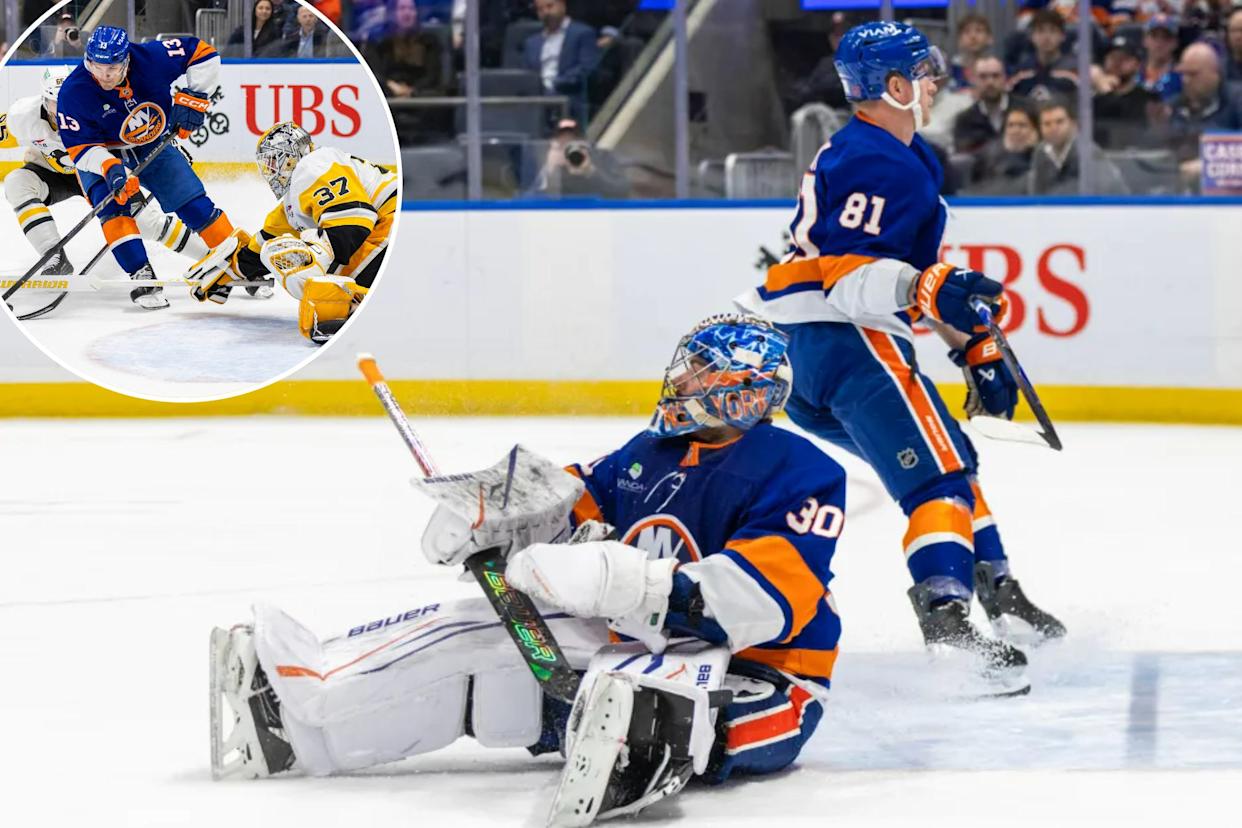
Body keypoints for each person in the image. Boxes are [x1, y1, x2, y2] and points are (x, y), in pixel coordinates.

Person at [210, 315, 846, 825]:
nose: (681, 382)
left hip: (765, 671)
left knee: (680, 712)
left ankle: (634, 748)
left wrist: (618, 581)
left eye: (701, 374)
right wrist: (497, 518)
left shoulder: (801, 470)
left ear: (749, 392)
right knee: (476, 633)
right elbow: (573, 500)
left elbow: (762, 600)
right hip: (638, 640)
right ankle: (295, 725)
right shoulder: (649, 451)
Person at [734, 21, 1066, 684]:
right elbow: (851, 280)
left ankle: (998, 589)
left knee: (950, 462)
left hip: (808, 354)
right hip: (848, 342)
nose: (936, 81)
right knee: (938, 483)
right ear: (893, 84)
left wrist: (973, 348)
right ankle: (948, 617)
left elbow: (914, 282)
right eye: (922, 72)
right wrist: (927, 288)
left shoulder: (898, 158)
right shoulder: (875, 160)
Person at [56, 26, 242, 310]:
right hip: (101, 152)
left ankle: (243, 259)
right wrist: (110, 168)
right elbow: (80, 149)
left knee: (193, 204)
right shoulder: (73, 92)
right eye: (97, 66)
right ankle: (141, 274)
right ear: (88, 59)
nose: (105, 75)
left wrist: (195, 97)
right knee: (114, 210)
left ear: (127, 59)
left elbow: (203, 52)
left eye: (113, 67)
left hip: (153, 143)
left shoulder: (151, 58)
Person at [2, 67, 211, 288]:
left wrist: (170, 149)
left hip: (98, 173)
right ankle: (53, 256)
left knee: (146, 223)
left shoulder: (99, 109)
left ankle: (213, 256)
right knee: (16, 183)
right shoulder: (23, 116)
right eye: (56, 101)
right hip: (50, 174)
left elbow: (138, 134)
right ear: (44, 100)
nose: (64, 108)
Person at [189, 121, 397, 342]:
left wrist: (318, 259)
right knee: (283, 253)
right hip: (387, 225)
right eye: (266, 165)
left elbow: (354, 221)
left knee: (311, 270)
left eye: (273, 161)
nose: (270, 171)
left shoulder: (313, 165)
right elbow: (264, 243)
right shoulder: (295, 197)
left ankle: (355, 309)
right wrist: (233, 269)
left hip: (391, 221)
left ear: (291, 154)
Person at [1156, 42, 1242, 189]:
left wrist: (1209, 166)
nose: (1186, 80)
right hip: (1179, 189)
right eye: (1183, 74)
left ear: (1215, 73)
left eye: (1193, 74)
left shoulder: (1237, 100)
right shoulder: (1174, 106)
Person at [522, 0, 601, 124]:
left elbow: (587, 67)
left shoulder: (582, 33)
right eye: (540, 9)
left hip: (569, 96)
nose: (546, 12)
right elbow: (526, 75)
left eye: (550, 6)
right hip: (538, 100)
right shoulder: (531, 42)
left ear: (563, 6)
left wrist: (555, 84)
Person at [1028, 98, 1129, 194]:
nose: (1053, 128)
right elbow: (1037, 193)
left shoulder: (1088, 152)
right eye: (1047, 124)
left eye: (1059, 122)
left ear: (1073, 124)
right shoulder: (1041, 152)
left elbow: (1105, 191)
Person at [527, 117, 629, 199]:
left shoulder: (602, 157)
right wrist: (550, 170)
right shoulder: (551, 164)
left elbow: (621, 191)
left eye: (573, 144)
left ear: (585, 144)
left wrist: (590, 171)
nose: (569, 152)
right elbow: (527, 204)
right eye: (562, 145)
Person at [1091, 31, 1158, 149]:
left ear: (1137, 65)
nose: (1117, 63)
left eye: (1124, 59)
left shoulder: (1148, 98)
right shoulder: (1095, 101)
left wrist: (1107, 93)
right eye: (1112, 58)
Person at [1009, 9, 1079, 101]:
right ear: (1031, 36)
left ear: (1063, 36)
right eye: (1040, 31)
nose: (1046, 37)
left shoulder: (1075, 70)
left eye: (1052, 31)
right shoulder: (1021, 72)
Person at [971, 105, 1041, 194]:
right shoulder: (989, 156)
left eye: (1022, 125)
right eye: (1010, 125)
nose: (1015, 131)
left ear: (1035, 130)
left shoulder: (1042, 157)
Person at [953, 55, 1013, 154]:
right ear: (973, 80)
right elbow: (963, 155)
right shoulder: (965, 119)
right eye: (983, 77)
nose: (990, 82)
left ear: (1005, 78)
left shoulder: (1025, 110)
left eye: (995, 76)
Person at [1142, 14, 1183, 102]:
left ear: (1175, 43)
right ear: (1145, 40)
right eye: (1154, 36)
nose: (1159, 43)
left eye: (1166, 38)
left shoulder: (1182, 77)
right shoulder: (1132, 74)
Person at [949, 13, 994, 90]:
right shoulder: (950, 70)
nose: (973, 36)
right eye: (967, 31)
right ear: (959, 40)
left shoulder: (996, 70)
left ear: (989, 38)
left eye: (979, 30)